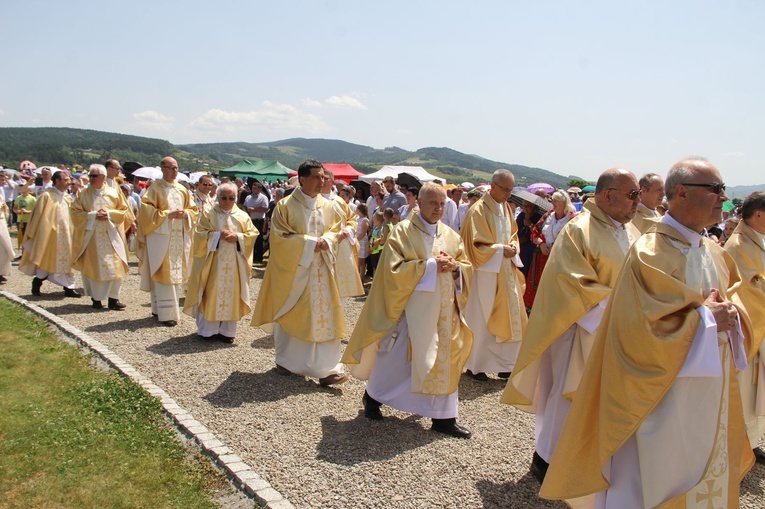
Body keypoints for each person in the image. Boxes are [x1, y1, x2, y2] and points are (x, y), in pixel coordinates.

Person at [540, 158, 753, 508]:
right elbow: (644, 330)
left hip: (707, 388)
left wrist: (730, 314)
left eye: (723, 190)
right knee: (648, 480)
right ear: (681, 192)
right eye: (715, 189)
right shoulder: (650, 251)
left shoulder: (714, 251)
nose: (723, 198)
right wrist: (707, 319)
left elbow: (727, 306)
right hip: (655, 395)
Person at [502, 168, 641, 483]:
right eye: (632, 194)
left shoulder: (630, 233)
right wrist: (618, 315)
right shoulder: (580, 230)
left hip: (618, 331)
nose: (638, 202)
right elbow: (572, 283)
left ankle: (585, 458)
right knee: (569, 396)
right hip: (581, 329)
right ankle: (546, 460)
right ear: (608, 195)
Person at [342, 182, 474, 438]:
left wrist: (457, 268)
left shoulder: (450, 234)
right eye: (433, 203)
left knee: (444, 360)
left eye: (442, 204)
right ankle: (373, 396)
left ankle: (444, 418)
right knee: (397, 360)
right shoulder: (403, 232)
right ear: (420, 203)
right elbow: (392, 272)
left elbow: (465, 265)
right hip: (411, 311)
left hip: (445, 313)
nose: (438, 208)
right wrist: (433, 265)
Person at [251, 160, 348, 387]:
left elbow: (337, 231)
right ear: (302, 179)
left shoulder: (331, 206)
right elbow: (279, 239)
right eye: (316, 177)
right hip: (296, 273)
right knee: (296, 313)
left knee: (325, 316)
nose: (321, 182)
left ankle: (327, 368)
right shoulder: (285, 206)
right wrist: (310, 243)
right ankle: (288, 362)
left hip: (323, 271)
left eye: (323, 177)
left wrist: (330, 241)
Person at [461, 169, 527, 381]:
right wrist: (500, 250)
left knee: (512, 315)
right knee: (483, 318)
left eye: (511, 190)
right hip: (486, 275)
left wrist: (513, 247)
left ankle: (506, 364)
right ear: (494, 187)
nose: (509, 194)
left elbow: (513, 234)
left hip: (506, 271)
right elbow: (474, 244)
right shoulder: (478, 211)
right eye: (506, 190)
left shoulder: (506, 208)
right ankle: (476, 365)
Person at [184, 183, 257, 343]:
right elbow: (199, 234)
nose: (227, 201)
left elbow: (252, 234)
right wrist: (217, 236)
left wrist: (238, 237)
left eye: (231, 198)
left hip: (235, 265)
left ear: (236, 198)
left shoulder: (242, 216)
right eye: (224, 198)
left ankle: (227, 332)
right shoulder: (209, 213)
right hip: (213, 264)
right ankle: (208, 331)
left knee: (231, 295)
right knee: (211, 292)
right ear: (218, 197)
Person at [724, 191, 765, 464]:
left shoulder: (756, 241)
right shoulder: (738, 245)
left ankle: (750, 442)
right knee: (743, 390)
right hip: (749, 329)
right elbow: (743, 291)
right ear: (759, 215)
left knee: (753, 393)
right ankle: (737, 445)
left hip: (759, 327)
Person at [137, 157, 198, 327]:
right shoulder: (155, 189)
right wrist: (168, 215)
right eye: (170, 168)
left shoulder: (182, 189)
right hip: (161, 238)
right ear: (163, 168)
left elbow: (193, 210)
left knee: (174, 274)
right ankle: (167, 314)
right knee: (164, 273)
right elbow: (146, 211)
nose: (174, 171)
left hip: (178, 237)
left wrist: (186, 214)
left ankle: (158, 309)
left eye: (176, 167)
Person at [70, 164, 133, 310]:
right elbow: (74, 212)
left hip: (112, 236)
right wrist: (92, 216)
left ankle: (113, 299)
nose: (91, 179)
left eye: (94, 176)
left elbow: (124, 211)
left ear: (103, 177)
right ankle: (97, 299)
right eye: (90, 176)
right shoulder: (83, 194)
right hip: (92, 237)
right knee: (95, 267)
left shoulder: (114, 193)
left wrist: (109, 214)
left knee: (116, 266)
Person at [19, 170, 82, 297]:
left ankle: (69, 288)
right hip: (50, 234)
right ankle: (37, 282)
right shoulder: (46, 196)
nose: (69, 182)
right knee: (47, 259)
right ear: (57, 181)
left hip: (67, 235)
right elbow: (38, 216)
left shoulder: (68, 197)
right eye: (66, 180)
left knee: (67, 261)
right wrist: (38, 233)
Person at [523, 190, 577, 309]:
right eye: (552, 200)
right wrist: (541, 244)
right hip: (541, 258)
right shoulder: (548, 215)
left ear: (564, 202)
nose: (553, 202)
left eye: (556, 200)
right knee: (537, 286)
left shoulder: (572, 219)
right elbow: (535, 232)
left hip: (559, 260)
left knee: (554, 289)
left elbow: (575, 239)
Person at [321, 171, 364, 298]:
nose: (322, 181)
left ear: (332, 181)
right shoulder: (313, 199)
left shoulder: (339, 201)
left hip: (341, 247)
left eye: (325, 178)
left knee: (341, 289)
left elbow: (352, 219)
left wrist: (349, 230)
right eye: (320, 178)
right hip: (323, 246)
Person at [243, 179, 269, 263]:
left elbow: (265, 208)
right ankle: (252, 255)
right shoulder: (248, 197)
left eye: (255, 188)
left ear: (260, 189)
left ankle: (258, 257)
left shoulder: (263, 198)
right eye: (252, 188)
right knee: (250, 238)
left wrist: (254, 210)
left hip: (259, 220)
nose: (253, 190)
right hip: (250, 220)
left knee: (258, 239)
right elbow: (244, 206)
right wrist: (246, 210)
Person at [516, 199, 542, 279]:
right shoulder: (521, 216)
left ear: (534, 207)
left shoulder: (539, 217)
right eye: (524, 206)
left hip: (532, 249)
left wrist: (530, 224)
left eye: (528, 206)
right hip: (521, 247)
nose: (525, 208)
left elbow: (539, 234)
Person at [13, 184, 36, 251]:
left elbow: (36, 210)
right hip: (20, 220)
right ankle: (22, 253)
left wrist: (28, 211)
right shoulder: (18, 198)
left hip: (28, 220)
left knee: (28, 237)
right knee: (22, 237)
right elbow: (14, 208)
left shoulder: (32, 198)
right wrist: (17, 211)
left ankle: (28, 253)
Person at [0, 174, 12, 284]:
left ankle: (1, 272)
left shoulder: (1, 191)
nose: (4, 181)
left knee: (4, 249)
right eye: (2, 180)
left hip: (2, 221)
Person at [355, 203, 370, 280]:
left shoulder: (365, 220)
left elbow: (363, 233)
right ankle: (358, 278)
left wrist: (356, 240)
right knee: (358, 260)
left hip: (361, 242)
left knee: (361, 261)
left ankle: (361, 278)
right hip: (357, 241)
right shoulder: (357, 219)